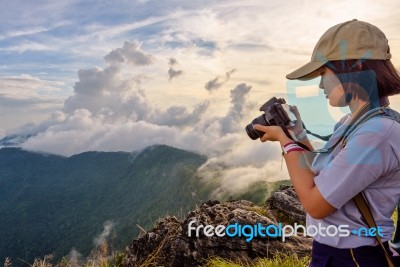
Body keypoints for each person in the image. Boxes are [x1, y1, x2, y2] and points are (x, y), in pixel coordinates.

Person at [254, 19, 400, 266]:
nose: (321, 83)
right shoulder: (354, 122)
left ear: (353, 69)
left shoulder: (377, 133)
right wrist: (298, 134)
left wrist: (286, 143)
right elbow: (318, 172)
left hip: (355, 257)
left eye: (324, 73)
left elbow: (316, 205)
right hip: (332, 251)